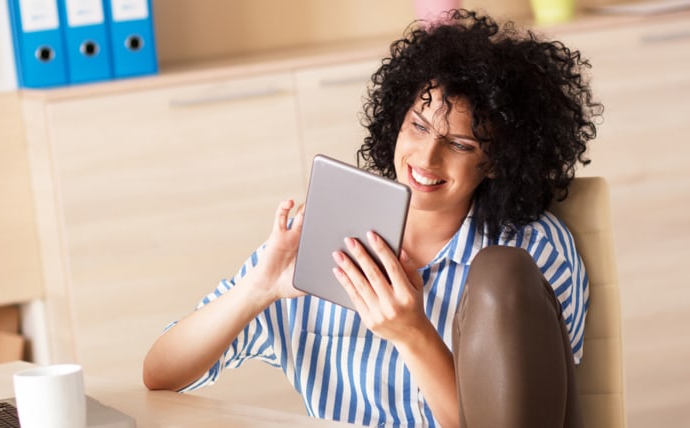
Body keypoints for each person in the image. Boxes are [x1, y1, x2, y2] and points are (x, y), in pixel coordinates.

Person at [143, 9, 603, 428]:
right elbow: (160, 374)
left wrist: (412, 333)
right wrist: (256, 290)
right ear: (395, 121)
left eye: (461, 144)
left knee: (501, 269)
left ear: (497, 160)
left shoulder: (531, 255)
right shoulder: (326, 236)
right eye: (418, 126)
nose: (426, 157)